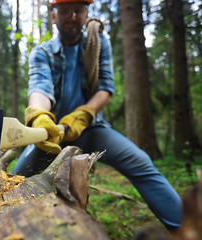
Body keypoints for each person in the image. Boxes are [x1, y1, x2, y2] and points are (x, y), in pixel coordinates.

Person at [12, 0, 182, 230]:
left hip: (92, 129)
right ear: (53, 16)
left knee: (140, 161)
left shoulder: (99, 43)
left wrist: (85, 113)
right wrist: (40, 115)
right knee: (16, 180)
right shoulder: (42, 52)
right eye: (64, 11)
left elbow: (105, 88)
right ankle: (6, 227)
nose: (72, 16)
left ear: (86, 15)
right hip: (52, 134)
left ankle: (187, 227)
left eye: (78, 10)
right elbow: (40, 87)